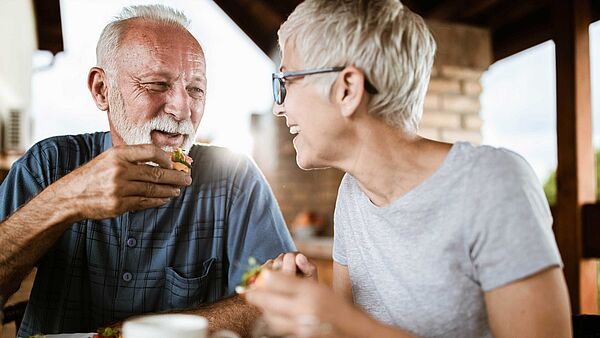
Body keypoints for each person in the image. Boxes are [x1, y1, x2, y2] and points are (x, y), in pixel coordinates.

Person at [244, 1, 572, 337]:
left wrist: (339, 318)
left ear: (347, 89)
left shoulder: (493, 183)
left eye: (286, 81)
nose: (277, 106)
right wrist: (316, 318)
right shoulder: (352, 195)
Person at [0, 5, 294, 337]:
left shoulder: (235, 179)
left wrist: (138, 331)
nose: (183, 109)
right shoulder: (48, 164)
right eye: (156, 84)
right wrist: (66, 200)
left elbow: (283, 301)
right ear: (101, 89)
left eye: (196, 89)